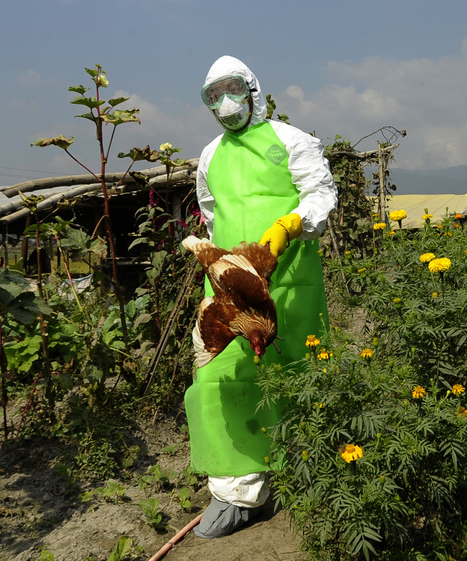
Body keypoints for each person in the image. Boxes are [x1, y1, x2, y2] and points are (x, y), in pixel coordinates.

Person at [186, 55, 337, 539]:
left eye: (231, 89)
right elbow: (211, 214)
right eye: (213, 95)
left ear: (252, 88)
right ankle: (240, 492)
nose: (224, 102)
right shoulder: (210, 155)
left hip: (292, 278)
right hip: (231, 285)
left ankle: (307, 469)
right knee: (223, 379)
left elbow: (320, 194)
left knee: (296, 368)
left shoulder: (292, 141)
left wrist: (289, 225)